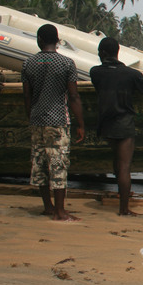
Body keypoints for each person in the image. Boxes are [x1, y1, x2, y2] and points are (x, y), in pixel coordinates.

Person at [90, 37, 143, 216]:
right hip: (124, 124)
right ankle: (124, 209)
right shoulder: (130, 74)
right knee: (125, 166)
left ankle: (122, 194)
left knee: (117, 162)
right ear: (117, 52)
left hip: (105, 125)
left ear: (103, 53)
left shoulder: (95, 72)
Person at [21, 24, 85, 221]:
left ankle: (48, 207)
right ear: (57, 41)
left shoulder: (28, 64)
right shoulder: (66, 63)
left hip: (37, 119)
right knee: (58, 164)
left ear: (39, 40)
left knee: (40, 164)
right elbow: (73, 97)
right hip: (58, 121)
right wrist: (81, 124)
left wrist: (31, 117)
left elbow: (27, 97)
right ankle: (60, 211)